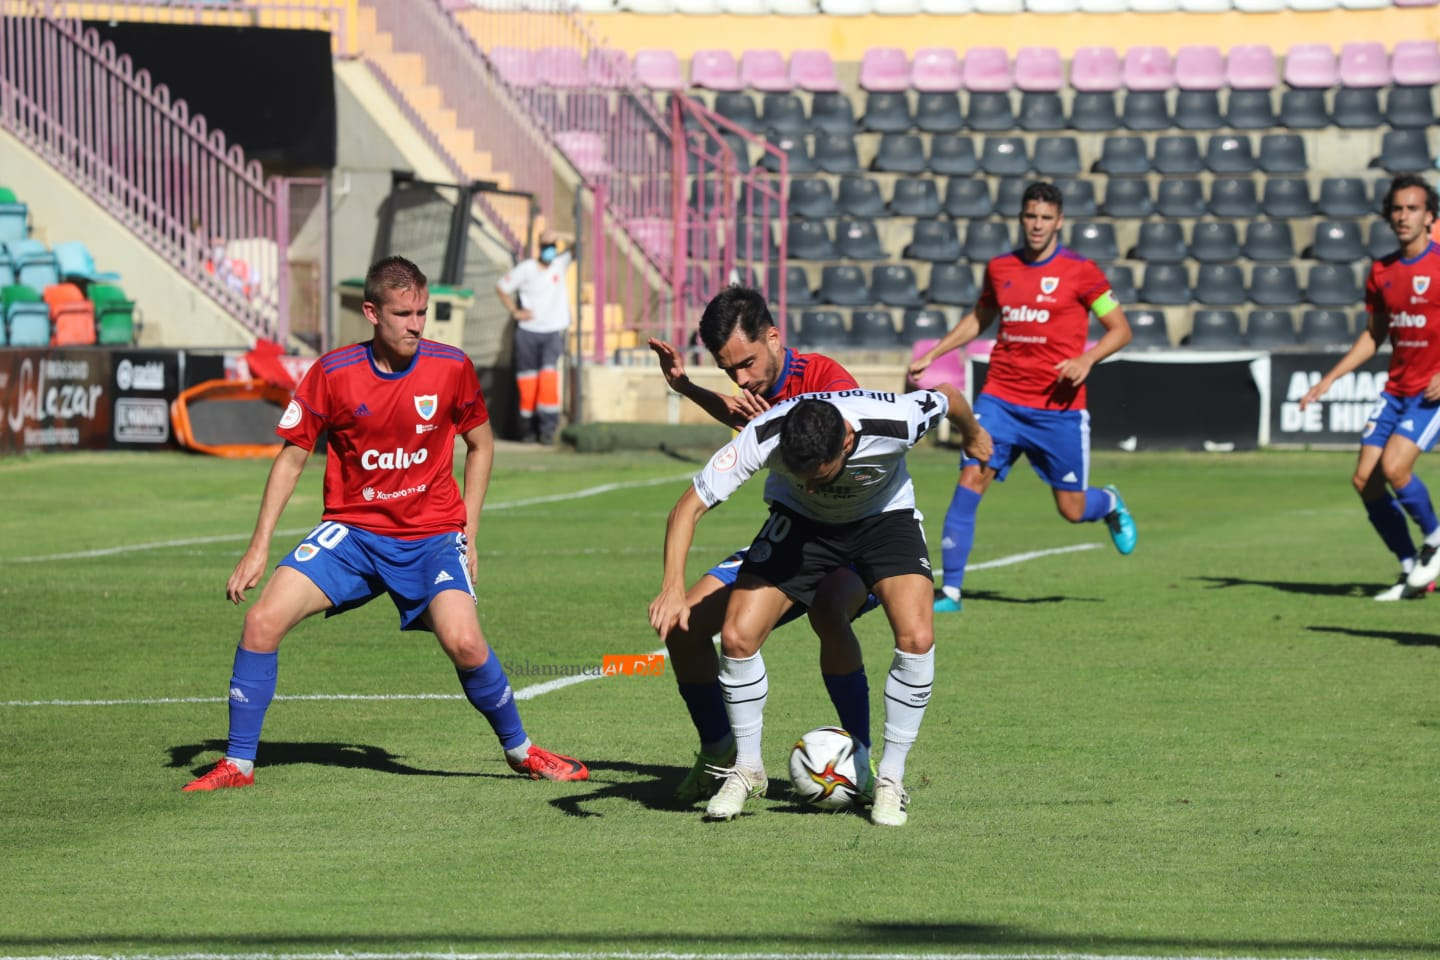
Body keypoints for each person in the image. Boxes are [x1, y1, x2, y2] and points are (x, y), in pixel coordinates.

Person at [183, 256, 588, 791]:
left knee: (465, 643)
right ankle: (238, 765)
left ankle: (522, 751)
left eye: (422, 312)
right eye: (403, 314)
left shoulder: (451, 367)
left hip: (431, 536)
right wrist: (258, 548)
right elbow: (291, 459)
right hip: (352, 534)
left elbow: (481, 444)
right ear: (372, 313)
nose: (416, 325)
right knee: (261, 622)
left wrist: (468, 532)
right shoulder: (333, 373)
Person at [648, 385, 992, 826]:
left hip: (884, 522)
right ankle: (748, 769)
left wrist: (973, 434)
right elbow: (688, 507)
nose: (810, 484)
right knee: (736, 637)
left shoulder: (899, 421)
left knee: (917, 637)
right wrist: (672, 588)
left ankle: (889, 778)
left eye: (819, 475)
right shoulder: (765, 434)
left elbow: (947, 396)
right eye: (801, 475)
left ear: (847, 442)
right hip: (801, 528)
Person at [647, 287, 879, 806]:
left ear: (774, 337)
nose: (741, 379)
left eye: (746, 363)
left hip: (853, 537)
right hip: (790, 533)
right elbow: (746, 420)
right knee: (683, 627)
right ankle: (719, 754)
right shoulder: (757, 388)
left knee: (828, 610)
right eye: (728, 370)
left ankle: (863, 760)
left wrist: (764, 417)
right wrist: (686, 387)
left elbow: (834, 442)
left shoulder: (828, 381)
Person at [908, 180, 1137, 614]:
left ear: (1059, 221)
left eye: (1045, 217)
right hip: (1001, 400)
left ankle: (1109, 502)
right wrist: (937, 352)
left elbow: (1121, 329)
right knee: (971, 478)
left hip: (1058, 409)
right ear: (1021, 217)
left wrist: (1087, 359)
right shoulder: (1001, 268)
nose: (1037, 224)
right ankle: (951, 592)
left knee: (1071, 509)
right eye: (1031, 215)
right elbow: (981, 316)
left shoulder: (1082, 271)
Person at [1300, 174, 1440, 601]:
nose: (1403, 216)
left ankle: (1436, 540)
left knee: (1396, 469)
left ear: (1429, 217)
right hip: (1397, 391)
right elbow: (1373, 334)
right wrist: (1329, 378)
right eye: (1397, 209)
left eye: (1413, 208)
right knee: (1366, 480)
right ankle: (1411, 570)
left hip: (1432, 393)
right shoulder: (1382, 271)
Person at [495, 229, 575, 444]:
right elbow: (501, 287)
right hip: (528, 332)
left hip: (553, 332)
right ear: (539, 247)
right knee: (528, 382)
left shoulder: (560, 263)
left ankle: (548, 430)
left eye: (553, 246)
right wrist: (515, 311)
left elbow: (579, 244)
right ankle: (527, 430)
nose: (550, 250)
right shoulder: (527, 268)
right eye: (546, 246)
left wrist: (558, 235)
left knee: (548, 379)